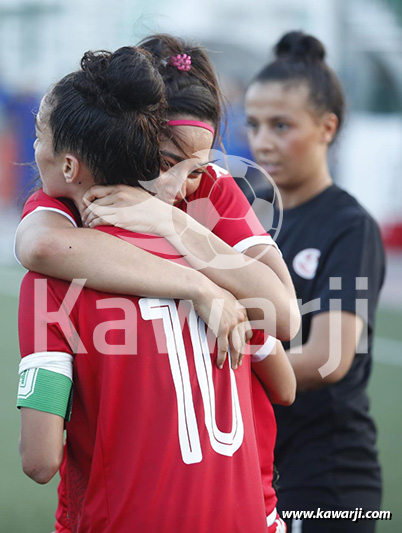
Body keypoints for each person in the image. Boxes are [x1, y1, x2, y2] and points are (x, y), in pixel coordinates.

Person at [16, 34, 298, 531]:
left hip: (203, 500)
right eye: (166, 163)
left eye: (199, 167)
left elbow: (285, 317)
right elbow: (40, 246)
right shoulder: (67, 207)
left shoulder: (212, 190)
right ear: (134, 137)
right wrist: (201, 285)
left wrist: (173, 224)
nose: (178, 186)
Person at [245, 31, 385, 532]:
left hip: (327, 480)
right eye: (254, 124)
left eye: (282, 125)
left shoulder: (350, 225)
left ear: (327, 127)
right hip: (256, 467)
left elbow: (329, 357)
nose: (263, 140)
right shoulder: (248, 216)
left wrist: (230, 371)